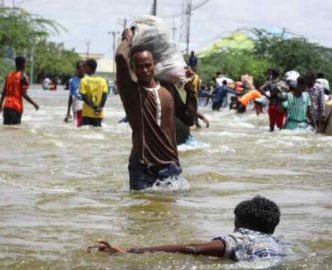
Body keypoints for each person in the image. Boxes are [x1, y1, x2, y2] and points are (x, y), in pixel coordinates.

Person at [115, 29, 197, 191]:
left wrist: (191, 91)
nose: (144, 70)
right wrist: (127, 38)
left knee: (169, 215)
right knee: (142, 213)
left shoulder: (169, 89)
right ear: (133, 68)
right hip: (143, 168)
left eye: (147, 65)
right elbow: (120, 57)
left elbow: (188, 118)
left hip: (171, 166)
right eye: (138, 67)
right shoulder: (131, 91)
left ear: (155, 65)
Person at [89, 196, 287, 262]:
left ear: (238, 225)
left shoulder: (241, 239)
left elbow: (191, 249)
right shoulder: (279, 244)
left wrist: (128, 251)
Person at [0, 56, 39, 125]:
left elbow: (4, 92)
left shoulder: (9, 75)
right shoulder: (23, 77)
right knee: (15, 131)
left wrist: (0, 105)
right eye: (25, 63)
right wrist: (34, 104)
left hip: (7, 106)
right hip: (16, 107)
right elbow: (24, 94)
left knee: (6, 129)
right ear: (23, 64)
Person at [79, 59, 108, 127]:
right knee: (97, 134)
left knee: (86, 134)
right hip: (98, 114)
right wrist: (100, 107)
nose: (83, 68)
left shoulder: (83, 81)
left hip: (87, 114)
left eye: (84, 66)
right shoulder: (103, 81)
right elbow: (104, 96)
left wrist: (94, 107)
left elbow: (84, 98)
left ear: (89, 67)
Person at [64, 61, 85, 127]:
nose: (80, 70)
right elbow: (70, 96)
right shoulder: (72, 80)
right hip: (77, 103)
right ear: (76, 69)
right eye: (78, 68)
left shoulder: (88, 79)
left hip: (86, 102)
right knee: (78, 124)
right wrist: (68, 111)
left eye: (82, 68)